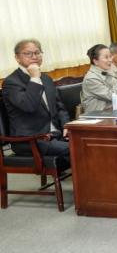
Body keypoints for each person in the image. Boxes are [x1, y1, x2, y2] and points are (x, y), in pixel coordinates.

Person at [1, 39, 70, 172]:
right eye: (28, 53)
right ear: (17, 58)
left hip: (55, 135)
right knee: (80, 148)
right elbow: (29, 106)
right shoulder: (11, 82)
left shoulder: (46, 79)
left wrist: (66, 125)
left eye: (37, 53)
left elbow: (59, 107)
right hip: (30, 140)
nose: (34, 57)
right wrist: (34, 78)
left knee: (90, 142)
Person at [81, 44, 117, 113]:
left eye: (110, 56)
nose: (110, 60)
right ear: (95, 61)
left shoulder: (107, 71)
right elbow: (112, 96)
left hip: (112, 110)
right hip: (98, 115)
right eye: (106, 57)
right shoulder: (91, 79)